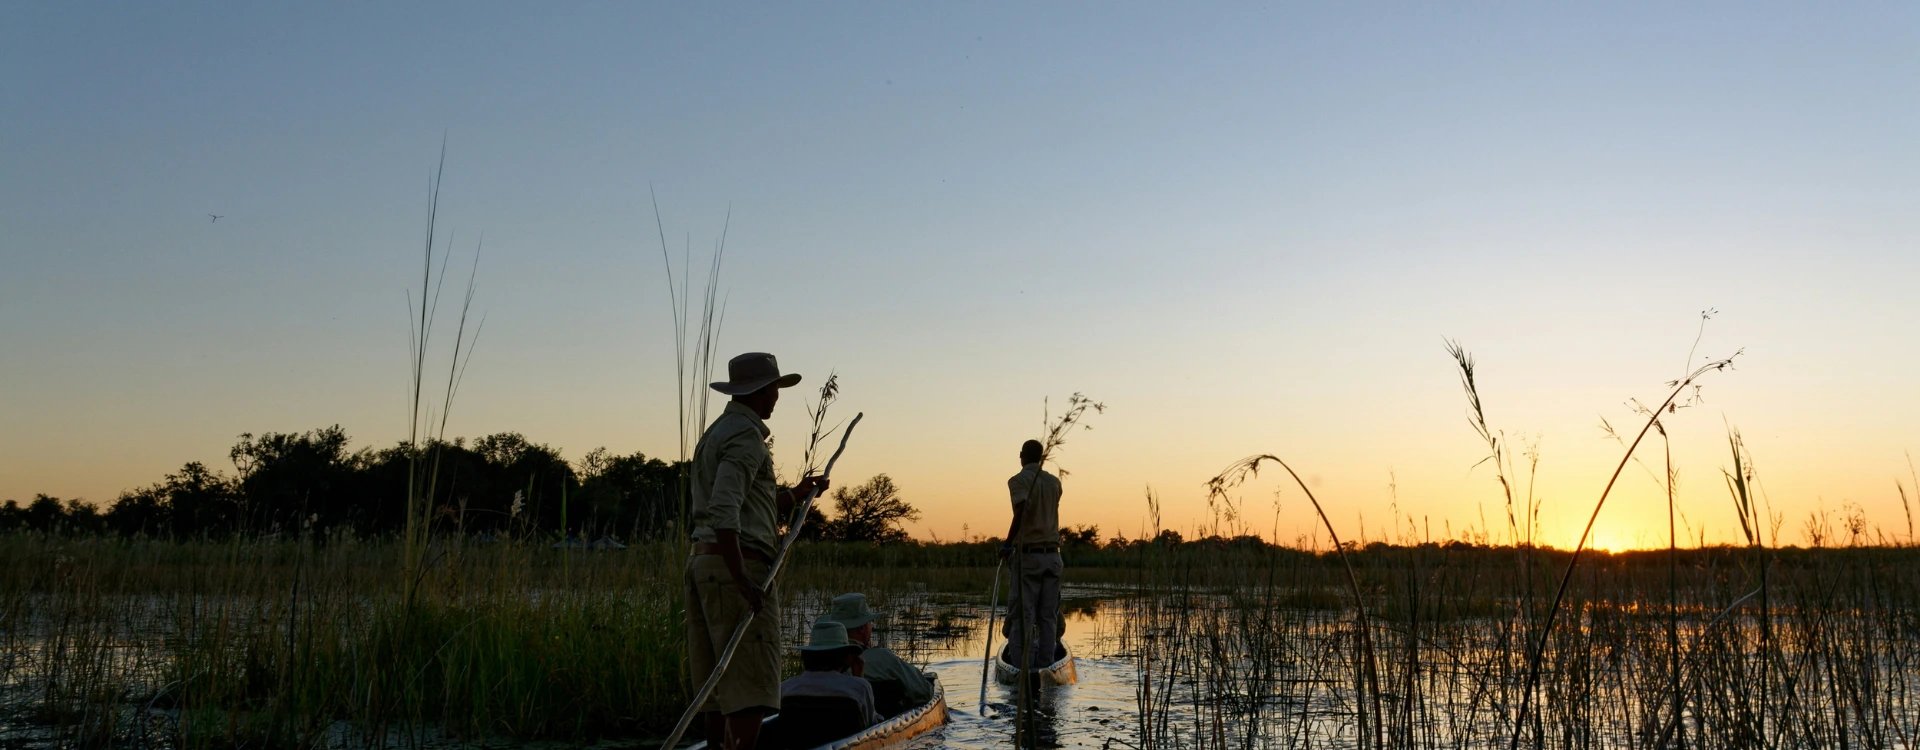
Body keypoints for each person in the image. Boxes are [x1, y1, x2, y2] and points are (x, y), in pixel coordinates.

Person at [685, 352, 828, 750]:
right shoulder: (745, 438)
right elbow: (724, 510)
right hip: (737, 565)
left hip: (705, 563)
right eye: (774, 390)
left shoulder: (716, 433)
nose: (777, 398)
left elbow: (744, 504)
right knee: (749, 682)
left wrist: (797, 495)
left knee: (718, 679)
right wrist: (742, 578)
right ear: (761, 391)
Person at [1000, 439, 1064, 669]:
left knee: (1023, 616)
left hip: (1028, 557)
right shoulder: (1054, 482)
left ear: (1021, 456)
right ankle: (1047, 669)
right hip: (1053, 557)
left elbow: (1021, 510)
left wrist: (1008, 544)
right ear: (1041, 458)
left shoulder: (1018, 481)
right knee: (1048, 617)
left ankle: (1023, 670)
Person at [823, 592, 933, 715]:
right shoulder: (882, 658)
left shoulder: (818, 665)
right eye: (870, 623)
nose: (871, 627)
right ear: (862, 629)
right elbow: (924, 691)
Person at [779, 619, 883, 728]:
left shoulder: (785, 689)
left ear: (808, 655)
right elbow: (872, 726)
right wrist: (859, 677)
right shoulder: (860, 687)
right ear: (845, 657)